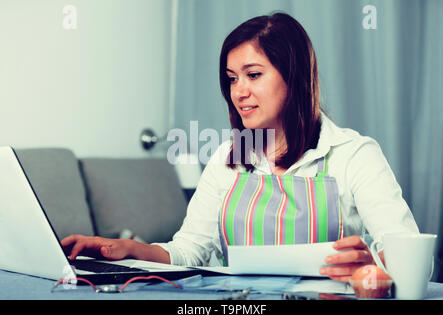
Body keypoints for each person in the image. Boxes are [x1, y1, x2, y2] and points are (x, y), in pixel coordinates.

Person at [62, 12, 419, 283]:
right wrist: (127, 250)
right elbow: (191, 250)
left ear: (292, 77)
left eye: (253, 75)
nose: (238, 92)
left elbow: (414, 258)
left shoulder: (353, 154)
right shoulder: (227, 158)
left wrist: (374, 265)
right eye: (232, 79)